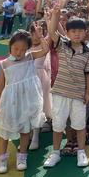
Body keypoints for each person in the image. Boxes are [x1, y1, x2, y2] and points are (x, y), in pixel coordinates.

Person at [43, 0, 89, 169]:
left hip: (78, 94)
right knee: (58, 124)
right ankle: (55, 152)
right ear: (68, 32)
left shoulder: (88, 51)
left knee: (79, 124)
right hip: (60, 92)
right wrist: (58, 7)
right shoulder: (62, 44)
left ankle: (81, 152)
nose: (76, 34)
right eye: (73, 31)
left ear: (85, 33)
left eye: (80, 31)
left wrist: (88, 93)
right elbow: (51, 31)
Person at [0, 30, 50, 173]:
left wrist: (40, 37)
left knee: (25, 130)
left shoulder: (30, 57)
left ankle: (22, 157)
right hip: (11, 102)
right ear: (10, 47)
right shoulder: (4, 64)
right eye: (16, 49)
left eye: (23, 49)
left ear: (28, 49)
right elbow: (0, 86)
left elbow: (45, 49)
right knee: (5, 131)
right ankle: (2, 159)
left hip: (27, 101)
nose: (19, 52)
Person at [28, 21, 52, 151]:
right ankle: (29, 134)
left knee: (38, 106)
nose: (38, 35)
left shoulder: (44, 43)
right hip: (26, 79)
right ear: (30, 33)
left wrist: (42, 35)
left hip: (40, 79)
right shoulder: (25, 44)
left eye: (41, 32)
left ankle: (36, 135)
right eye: (35, 33)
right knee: (28, 107)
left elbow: (46, 48)